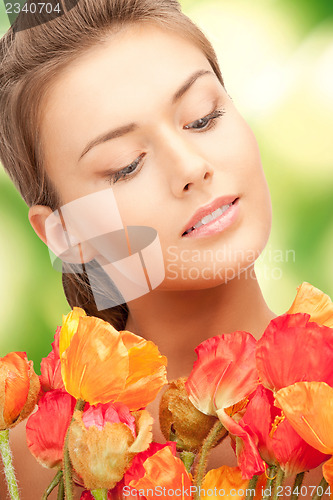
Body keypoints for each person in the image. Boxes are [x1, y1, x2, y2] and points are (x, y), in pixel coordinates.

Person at [0, 0, 325, 497]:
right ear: (65, 235)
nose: (191, 167)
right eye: (127, 165)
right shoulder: (25, 460)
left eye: (202, 118)